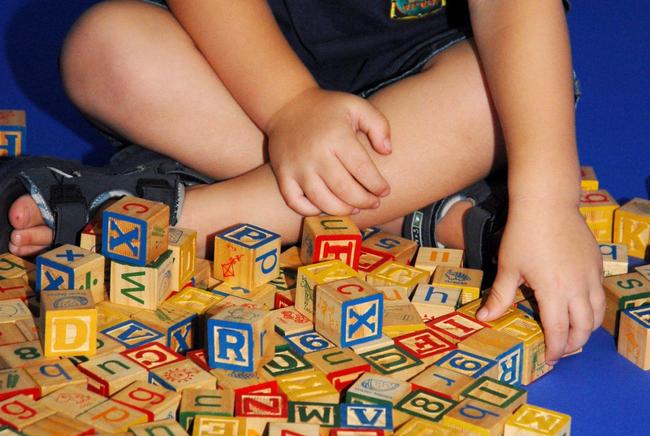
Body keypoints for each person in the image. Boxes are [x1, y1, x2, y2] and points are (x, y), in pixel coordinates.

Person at [6, 0, 604, 365]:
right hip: (243, 75)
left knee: (495, 101)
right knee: (104, 46)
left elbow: (517, 11)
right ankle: (412, 208)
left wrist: (550, 199)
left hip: (424, 85)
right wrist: (290, 105)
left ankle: (186, 215)